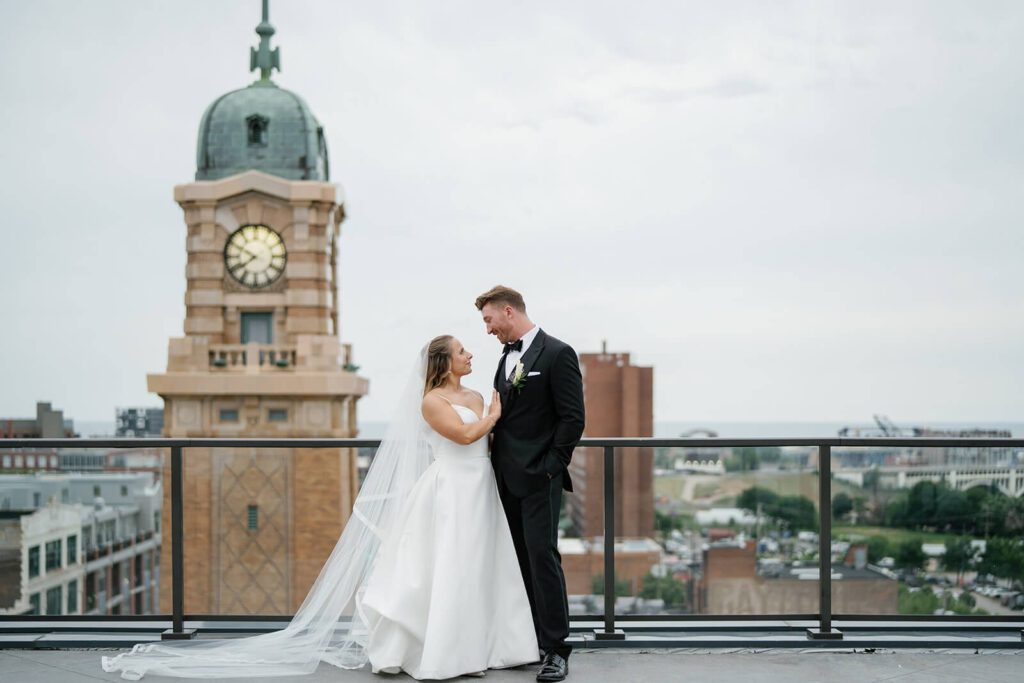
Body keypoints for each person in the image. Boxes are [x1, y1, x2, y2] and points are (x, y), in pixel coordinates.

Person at [101, 335, 538, 680]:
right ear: (444, 361)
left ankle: (489, 643)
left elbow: (485, 441)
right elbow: (463, 437)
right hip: (448, 491)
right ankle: (446, 650)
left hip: (480, 488)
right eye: (462, 350)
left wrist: (496, 423)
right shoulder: (432, 402)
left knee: (481, 563)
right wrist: (494, 419)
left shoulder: (479, 397)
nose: (470, 354)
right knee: (446, 566)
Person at [475, 286, 585, 683]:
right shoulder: (505, 357)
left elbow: (573, 418)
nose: (487, 330)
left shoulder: (558, 353)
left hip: (540, 477)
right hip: (504, 477)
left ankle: (557, 649)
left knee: (542, 558)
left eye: (489, 320)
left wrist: (551, 467)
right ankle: (530, 640)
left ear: (508, 312)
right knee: (517, 560)